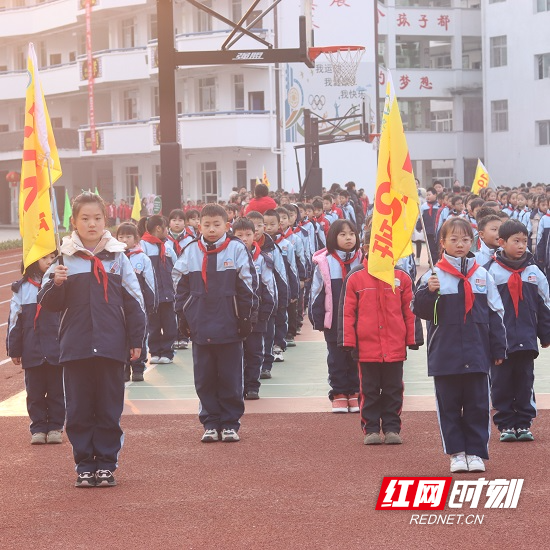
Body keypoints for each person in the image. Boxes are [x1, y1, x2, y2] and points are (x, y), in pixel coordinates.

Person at [38, 192, 146, 487]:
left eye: (97, 218)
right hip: (76, 347)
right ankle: (85, 464)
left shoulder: (118, 257)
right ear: (73, 222)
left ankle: (107, 464)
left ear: (105, 220)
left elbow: (135, 301)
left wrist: (137, 340)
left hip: (112, 346)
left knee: (109, 408)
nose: (91, 224)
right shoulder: (63, 259)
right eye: (84, 219)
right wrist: (56, 284)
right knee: (79, 409)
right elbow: (47, 303)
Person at [413, 217, 507, 473]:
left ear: (473, 241)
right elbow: (419, 310)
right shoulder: (434, 276)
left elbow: (495, 312)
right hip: (445, 353)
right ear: (442, 243)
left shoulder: (482, 275)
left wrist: (499, 347)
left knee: (478, 404)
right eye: (453, 239)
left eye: (465, 239)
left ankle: (476, 453)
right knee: (449, 406)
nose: (460, 244)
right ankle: (457, 453)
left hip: (478, 353)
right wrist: (428, 293)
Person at [173, 204, 259, 442]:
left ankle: (230, 423)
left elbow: (249, 284)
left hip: (230, 326)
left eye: (217, 224)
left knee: (231, 377)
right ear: (199, 226)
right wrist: (182, 314)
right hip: (200, 325)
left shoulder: (237, 249)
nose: (211, 229)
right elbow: (179, 284)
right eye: (207, 225)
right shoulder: (190, 250)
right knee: (204, 377)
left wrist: (246, 317)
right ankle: (210, 422)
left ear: (226, 225)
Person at [340, 227, 421, 443]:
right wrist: (348, 341)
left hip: (394, 346)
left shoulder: (402, 278)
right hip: (367, 348)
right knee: (369, 389)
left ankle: (393, 428)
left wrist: (412, 338)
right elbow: (348, 312)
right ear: (366, 248)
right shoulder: (356, 278)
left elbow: (409, 310)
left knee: (394, 389)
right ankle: (372, 429)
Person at [485, 220, 550, 442]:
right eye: (516, 241)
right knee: (501, 383)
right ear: (502, 243)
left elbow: (544, 304)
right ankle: (505, 424)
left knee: (525, 381)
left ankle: (523, 423)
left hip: (526, 338)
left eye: (524, 241)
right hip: (500, 342)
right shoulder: (490, 271)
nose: (522, 246)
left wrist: (546, 333)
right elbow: (485, 308)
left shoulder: (533, 271)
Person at [7, 252, 64, 445]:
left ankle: (56, 426)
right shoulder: (21, 288)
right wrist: (14, 349)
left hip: (57, 349)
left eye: (53, 258)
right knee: (34, 393)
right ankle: (38, 427)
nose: (49, 262)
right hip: (32, 349)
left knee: (57, 391)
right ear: (32, 260)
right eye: (44, 258)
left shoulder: (60, 285)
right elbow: (15, 320)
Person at [309, 220, 362, 413]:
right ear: (333, 237)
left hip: (359, 320)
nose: (348, 238)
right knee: (336, 357)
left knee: (356, 356)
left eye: (351, 234)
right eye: (342, 234)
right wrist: (318, 317)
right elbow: (316, 291)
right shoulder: (325, 262)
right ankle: (339, 392)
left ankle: (355, 391)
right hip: (335, 321)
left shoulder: (362, 259)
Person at [233, 218, 276, 400]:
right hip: (234, 316)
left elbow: (269, 288)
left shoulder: (263, 260)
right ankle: (237, 387)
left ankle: (252, 386)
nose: (244, 238)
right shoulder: (227, 258)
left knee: (254, 352)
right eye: (239, 235)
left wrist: (264, 313)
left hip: (257, 317)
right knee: (235, 354)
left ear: (255, 236)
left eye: (248, 234)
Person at [247, 210, 289, 374]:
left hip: (267, 303)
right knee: (250, 340)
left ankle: (265, 366)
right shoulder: (237, 250)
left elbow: (281, 275)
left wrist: (283, 299)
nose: (255, 230)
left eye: (259, 226)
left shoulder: (272, 249)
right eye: (252, 227)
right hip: (246, 305)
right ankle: (249, 369)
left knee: (267, 335)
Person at [116, 222, 157, 382]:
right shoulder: (114, 257)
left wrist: (150, 304)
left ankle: (138, 367)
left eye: (128, 236)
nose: (124, 240)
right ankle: (125, 368)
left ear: (136, 239)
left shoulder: (142, 258)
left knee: (139, 336)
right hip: (119, 307)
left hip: (138, 307)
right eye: (121, 237)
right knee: (122, 337)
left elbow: (150, 283)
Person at [139, 215, 178, 364]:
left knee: (169, 323)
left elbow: (175, 265)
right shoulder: (143, 246)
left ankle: (167, 352)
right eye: (166, 227)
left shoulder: (167, 245)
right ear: (158, 228)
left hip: (167, 292)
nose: (167, 230)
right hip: (152, 294)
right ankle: (155, 351)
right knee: (153, 324)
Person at [419, 187, 440, 263]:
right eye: (427, 195)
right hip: (428, 230)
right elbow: (420, 217)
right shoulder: (424, 206)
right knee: (430, 247)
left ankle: (437, 261)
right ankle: (432, 262)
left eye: (429, 194)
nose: (427, 196)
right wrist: (419, 226)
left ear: (435, 195)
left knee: (437, 247)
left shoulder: (438, 205)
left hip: (437, 230)